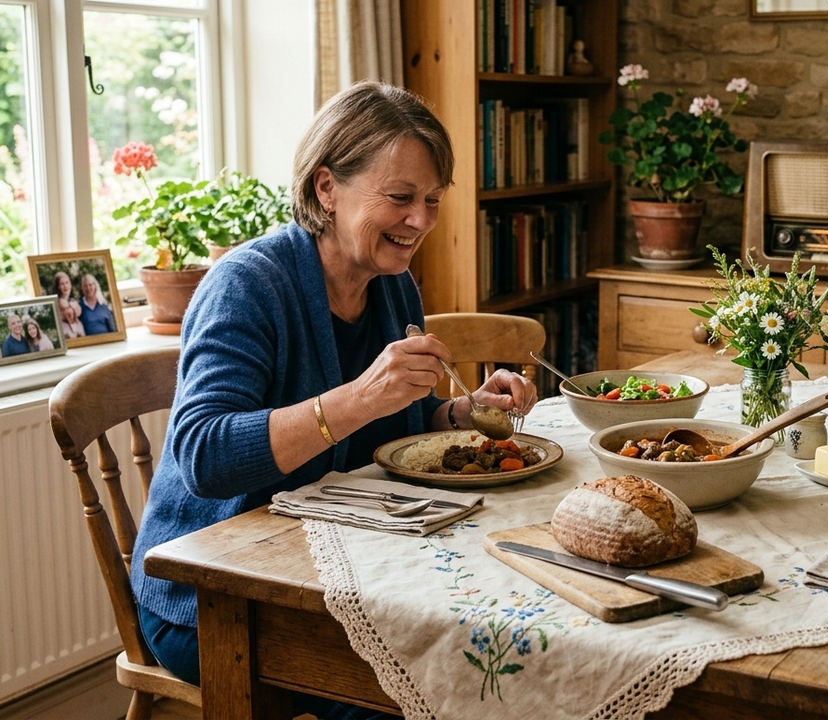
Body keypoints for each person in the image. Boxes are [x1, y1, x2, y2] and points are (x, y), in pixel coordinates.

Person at [129, 80, 536, 720]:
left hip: (340, 565)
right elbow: (204, 458)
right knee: (440, 689)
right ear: (326, 188)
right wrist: (356, 398)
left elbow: (385, 430)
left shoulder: (390, 285)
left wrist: (460, 412)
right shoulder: (247, 285)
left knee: (494, 661)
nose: (422, 221)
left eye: (432, 200)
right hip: (214, 596)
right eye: (401, 198)